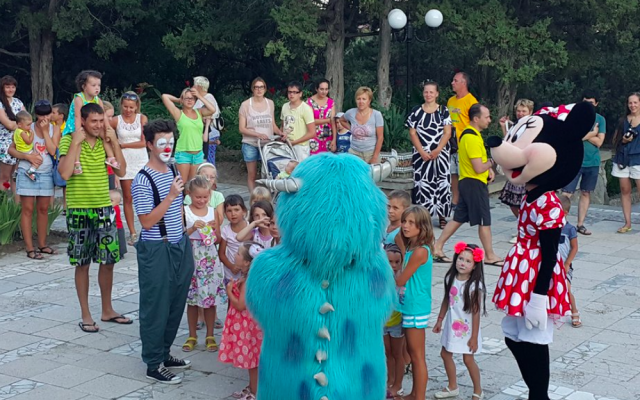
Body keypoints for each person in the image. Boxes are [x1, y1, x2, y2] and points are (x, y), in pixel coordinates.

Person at [57, 103, 130, 333]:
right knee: (82, 263)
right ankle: (86, 313)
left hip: (104, 208)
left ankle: (107, 309)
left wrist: (114, 142)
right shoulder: (68, 140)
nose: (98, 125)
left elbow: (121, 171)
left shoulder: (104, 142)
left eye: (101, 121)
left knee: (108, 261)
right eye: (94, 121)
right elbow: (64, 173)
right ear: (83, 121)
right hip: (79, 209)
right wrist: (76, 143)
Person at [131, 119, 192, 384]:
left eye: (171, 142)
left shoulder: (173, 169)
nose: (168, 147)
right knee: (156, 306)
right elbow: (146, 222)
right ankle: (153, 363)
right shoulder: (142, 180)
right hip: (157, 248)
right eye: (162, 143)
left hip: (179, 244)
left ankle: (164, 353)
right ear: (149, 145)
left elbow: (178, 209)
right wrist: (170, 196)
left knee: (176, 303)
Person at [433, 104, 503, 266]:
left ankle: (437, 246)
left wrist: (488, 169)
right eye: (486, 117)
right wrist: (492, 162)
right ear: (476, 119)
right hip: (474, 184)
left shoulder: (472, 134)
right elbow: (478, 167)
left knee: (458, 218)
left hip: (468, 182)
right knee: (484, 220)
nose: (489, 120)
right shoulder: (471, 138)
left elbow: (478, 163)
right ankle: (490, 255)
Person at [432, 242, 486, 399]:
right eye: (461, 259)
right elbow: (446, 299)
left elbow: (476, 313)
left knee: (468, 359)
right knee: (445, 354)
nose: (463, 263)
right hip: (451, 324)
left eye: (468, 261)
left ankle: (478, 390)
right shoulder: (450, 278)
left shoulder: (474, 286)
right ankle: (452, 386)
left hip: (467, 329)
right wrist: (440, 319)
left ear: (475, 266)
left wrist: (474, 337)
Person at [8, 100, 60, 259]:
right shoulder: (26, 127)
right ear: (36, 115)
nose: (44, 118)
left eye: (47, 115)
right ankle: (30, 248)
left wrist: (45, 132)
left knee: (43, 209)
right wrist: (27, 157)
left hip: (46, 173)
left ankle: (43, 244)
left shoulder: (54, 128)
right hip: (26, 171)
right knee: (28, 209)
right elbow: (11, 149)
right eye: (41, 115)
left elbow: (53, 150)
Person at [181, 175, 225, 353]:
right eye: (198, 197)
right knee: (192, 299)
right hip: (191, 256)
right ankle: (192, 334)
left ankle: (210, 335)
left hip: (209, 258)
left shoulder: (212, 211)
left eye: (205, 197)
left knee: (210, 297)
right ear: (189, 194)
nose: (201, 200)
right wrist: (193, 228)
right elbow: (179, 236)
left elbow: (218, 238)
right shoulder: (184, 211)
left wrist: (212, 229)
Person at [396, 205, 434, 400]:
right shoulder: (412, 248)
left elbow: (401, 280)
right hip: (409, 305)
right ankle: (414, 394)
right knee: (412, 353)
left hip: (416, 307)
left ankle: (419, 397)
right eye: (404, 221)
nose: (405, 226)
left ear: (422, 227)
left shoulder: (420, 251)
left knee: (417, 356)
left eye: (411, 223)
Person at [219, 242, 265, 400]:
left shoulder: (247, 281)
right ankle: (252, 387)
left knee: (253, 361)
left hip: (248, 326)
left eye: (238, 254)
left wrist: (229, 292)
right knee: (253, 360)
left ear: (246, 262)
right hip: (251, 325)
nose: (235, 255)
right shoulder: (250, 278)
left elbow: (240, 305)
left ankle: (255, 392)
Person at [406, 81, 453, 229]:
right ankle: (423, 217)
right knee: (422, 184)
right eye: (426, 92)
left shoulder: (443, 111)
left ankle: (442, 216)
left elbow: (447, 132)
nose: (428, 95)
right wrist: (421, 151)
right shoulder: (416, 111)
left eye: (431, 92)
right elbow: (412, 132)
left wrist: (438, 149)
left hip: (441, 153)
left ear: (437, 94)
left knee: (442, 183)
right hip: (421, 154)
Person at [562, 92, 606, 236]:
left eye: (591, 102)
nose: (588, 105)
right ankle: (560, 222)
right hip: (574, 161)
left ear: (596, 104)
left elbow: (599, 142)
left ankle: (580, 224)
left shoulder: (600, 119)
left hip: (592, 162)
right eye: (586, 102)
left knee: (586, 192)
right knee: (566, 193)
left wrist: (582, 135)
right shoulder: (574, 117)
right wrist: (592, 133)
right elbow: (571, 137)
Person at [110, 91, 148, 245]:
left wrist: (122, 145)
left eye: (131, 107)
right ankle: (132, 232)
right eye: (125, 106)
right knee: (128, 197)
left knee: (144, 195)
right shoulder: (115, 120)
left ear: (136, 107)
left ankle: (147, 228)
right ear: (121, 105)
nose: (128, 110)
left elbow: (144, 142)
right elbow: (108, 138)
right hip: (125, 161)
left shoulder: (142, 118)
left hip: (140, 159)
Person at [62, 70, 118, 174]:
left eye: (99, 85)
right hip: (74, 125)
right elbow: (77, 116)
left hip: (90, 125)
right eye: (93, 85)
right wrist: (78, 131)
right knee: (78, 139)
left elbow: (104, 116)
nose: (97, 88)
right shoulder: (79, 99)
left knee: (105, 136)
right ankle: (77, 162)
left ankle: (110, 157)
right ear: (84, 86)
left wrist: (107, 129)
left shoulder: (98, 100)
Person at [161, 87, 217, 184]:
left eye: (192, 98)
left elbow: (212, 109)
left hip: (198, 154)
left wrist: (199, 96)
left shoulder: (199, 112)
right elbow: (164, 96)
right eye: (187, 98)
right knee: (182, 184)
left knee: (193, 185)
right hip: (184, 153)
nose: (190, 100)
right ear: (182, 100)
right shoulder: (178, 113)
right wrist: (179, 100)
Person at [499, 99, 534, 243]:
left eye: (524, 111)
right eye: (518, 111)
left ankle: (526, 230)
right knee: (513, 202)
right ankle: (523, 227)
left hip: (526, 168)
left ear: (530, 112)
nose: (520, 113)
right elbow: (508, 143)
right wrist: (504, 127)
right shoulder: (515, 126)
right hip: (515, 167)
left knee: (524, 202)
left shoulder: (533, 127)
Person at [239, 77, 282, 191]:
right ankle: (253, 197)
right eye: (256, 87)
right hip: (251, 143)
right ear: (253, 89)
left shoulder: (270, 103)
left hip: (267, 144)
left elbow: (273, 124)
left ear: (265, 89)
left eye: (261, 87)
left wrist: (280, 133)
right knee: (252, 175)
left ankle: (267, 196)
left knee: (269, 173)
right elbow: (242, 128)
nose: (259, 90)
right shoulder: (245, 105)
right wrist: (257, 134)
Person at [447, 72, 478, 209]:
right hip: (451, 144)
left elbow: (476, 124)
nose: (452, 83)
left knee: (464, 175)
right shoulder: (450, 101)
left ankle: (467, 201)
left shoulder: (472, 102)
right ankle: (455, 200)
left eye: (455, 80)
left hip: (464, 144)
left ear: (463, 83)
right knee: (453, 173)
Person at [612, 92, 640, 234]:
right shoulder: (623, 120)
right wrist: (623, 140)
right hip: (623, 158)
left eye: (635, 102)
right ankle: (627, 223)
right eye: (630, 103)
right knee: (624, 190)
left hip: (638, 158)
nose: (632, 105)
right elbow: (614, 140)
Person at [383, 243, 406, 399]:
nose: (394, 265)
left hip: (397, 322)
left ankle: (398, 383)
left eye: (397, 262)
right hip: (384, 322)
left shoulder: (402, 278)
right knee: (388, 353)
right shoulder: (381, 279)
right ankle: (390, 380)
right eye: (390, 262)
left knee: (398, 354)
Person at [342, 86, 384, 163]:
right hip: (354, 153)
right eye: (358, 99)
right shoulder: (350, 113)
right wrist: (351, 128)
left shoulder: (376, 115)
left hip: (371, 153)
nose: (361, 101)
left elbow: (380, 138)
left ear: (369, 101)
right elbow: (342, 120)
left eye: (364, 99)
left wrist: (374, 157)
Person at [0, 75, 26, 192]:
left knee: (15, 177)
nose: (11, 90)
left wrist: (18, 125)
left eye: (13, 87)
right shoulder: (0, 103)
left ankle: (16, 203)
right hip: (5, 144)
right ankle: (3, 199)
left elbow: (27, 120)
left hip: (19, 143)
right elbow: (9, 125)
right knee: (4, 178)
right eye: (7, 87)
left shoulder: (18, 102)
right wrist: (21, 125)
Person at [558, 195, 581, 328]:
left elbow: (574, 247)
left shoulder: (569, 229)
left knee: (566, 288)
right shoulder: (548, 227)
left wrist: (567, 263)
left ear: (565, 213)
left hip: (564, 265)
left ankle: (574, 311)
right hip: (549, 263)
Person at [281, 81, 315, 162]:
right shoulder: (285, 106)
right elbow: (282, 126)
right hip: (286, 145)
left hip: (301, 147)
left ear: (300, 94)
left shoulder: (306, 109)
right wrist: (282, 136)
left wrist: (294, 142)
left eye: (295, 92)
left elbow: (312, 133)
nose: (291, 94)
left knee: (300, 169)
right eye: (289, 92)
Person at [218, 195, 249, 284]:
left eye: (236, 210)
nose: (233, 214)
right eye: (229, 211)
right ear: (225, 213)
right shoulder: (226, 231)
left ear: (244, 211)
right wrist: (231, 266)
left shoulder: (250, 227)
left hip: (248, 272)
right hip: (231, 274)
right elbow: (221, 254)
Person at [193, 76, 222, 165]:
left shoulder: (208, 97)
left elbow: (212, 114)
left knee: (208, 162)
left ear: (199, 86)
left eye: (194, 85)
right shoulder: (201, 98)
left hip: (209, 133)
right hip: (203, 133)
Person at [306, 78, 336, 154]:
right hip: (313, 137)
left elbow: (333, 122)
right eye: (321, 89)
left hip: (328, 137)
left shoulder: (331, 102)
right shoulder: (309, 102)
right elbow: (310, 121)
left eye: (326, 89)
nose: (324, 92)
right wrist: (327, 120)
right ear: (316, 89)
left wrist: (334, 139)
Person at [12, 111, 38, 180]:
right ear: (19, 124)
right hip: (25, 150)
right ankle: (30, 172)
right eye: (28, 125)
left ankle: (15, 172)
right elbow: (29, 142)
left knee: (18, 161)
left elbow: (13, 139)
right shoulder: (22, 132)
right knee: (39, 159)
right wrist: (32, 134)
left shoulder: (17, 131)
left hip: (19, 149)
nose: (30, 127)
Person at [109, 189, 128, 260]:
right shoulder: (113, 207)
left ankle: (121, 252)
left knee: (120, 240)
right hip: (114, 227)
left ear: (117, 202)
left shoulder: (115, 208)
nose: (109, 202)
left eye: (111, 201)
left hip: (118, 227)